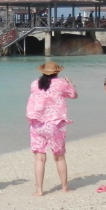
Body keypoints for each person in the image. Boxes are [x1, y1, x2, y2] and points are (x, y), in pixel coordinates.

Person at [26, 61, 78, 195]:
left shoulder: (34, 83)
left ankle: (39, 190)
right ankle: (65, 187)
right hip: (55, 124)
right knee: (59, 157)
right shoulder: (62, 83)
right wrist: (70, 82)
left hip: (37, 124)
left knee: (39, 158)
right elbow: (73, 95)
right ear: (57, 72)